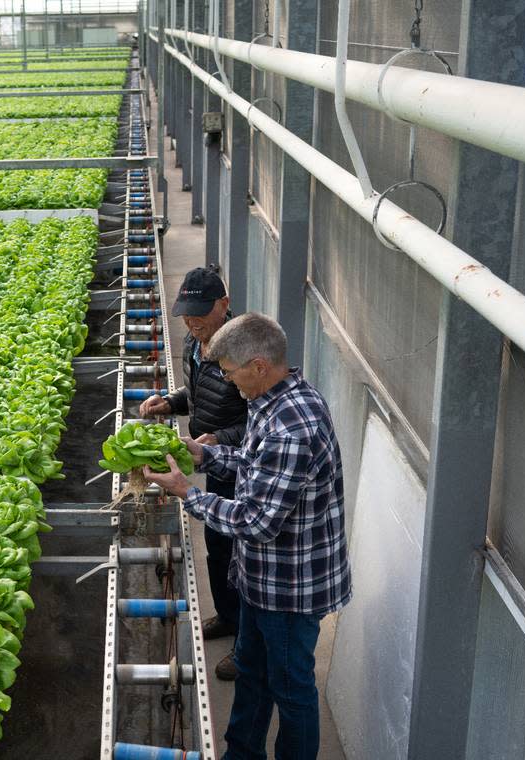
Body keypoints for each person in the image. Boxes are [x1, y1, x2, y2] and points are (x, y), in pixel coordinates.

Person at [143, 312, 352, 760]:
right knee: (254, 672)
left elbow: (256, 521)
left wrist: (186, 493)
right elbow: (257, 468)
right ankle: (241, 752)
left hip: (289, 588)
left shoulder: (291, 428)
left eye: (231, 371)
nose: (227, 380)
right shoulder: (275, 401)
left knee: (292, 689)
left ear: (259, 364)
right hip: (263, 578)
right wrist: (204, 456)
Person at [139, 266, 248, 680]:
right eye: (187, 312)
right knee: (218, 546)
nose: (192, 320)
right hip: (215, 463)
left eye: (200, 312)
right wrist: (169, 403)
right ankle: (227, 615)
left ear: (224, 303)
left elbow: (259, 419)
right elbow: (198, 394)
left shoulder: (241, 350)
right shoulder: (194, 342)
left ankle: (245, 647)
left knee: (246, 557)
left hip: (243, 464)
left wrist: (219, 439)